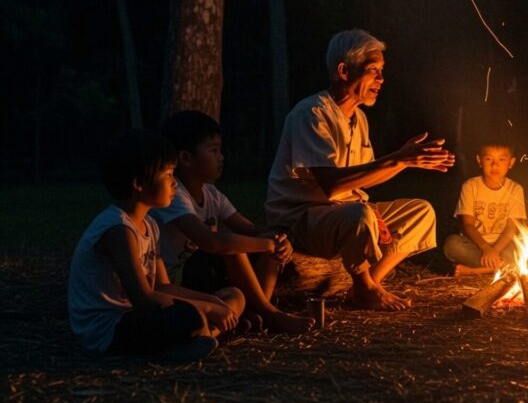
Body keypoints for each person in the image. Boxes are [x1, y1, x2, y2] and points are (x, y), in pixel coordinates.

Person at [265, 29, 455, 311]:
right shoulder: (312, 114)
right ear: (344, 71)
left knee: (421, 212)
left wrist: (406, 162)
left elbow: (363, 180)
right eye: (373, 71)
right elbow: (331, 185)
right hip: (299, 219)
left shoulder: (360, 118)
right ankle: (365, 287)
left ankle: (366, 285)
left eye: (381, 71)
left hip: (342, 213)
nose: (381, 79)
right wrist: (399, 159)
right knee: (359, 214)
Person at [68, 129, 245, 362]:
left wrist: (212, 302)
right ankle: (200, 336)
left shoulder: (150, 224)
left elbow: (163, 286)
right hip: (111, 327)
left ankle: (202, 339)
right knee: (190, 316)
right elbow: (143, 298)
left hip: (142, 314)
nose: (174, 183)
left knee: (233, 296)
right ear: (139, 183)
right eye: (168, 174)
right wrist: (207, 310)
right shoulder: (118, 229)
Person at [151, 111, 314, 334]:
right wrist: (265, 243)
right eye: (213, 150)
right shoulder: (174, 194)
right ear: (186, 158)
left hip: (208, 274)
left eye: (220, 150)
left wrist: (277, 240)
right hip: (180, 281)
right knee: (232, 247)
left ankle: (251, 310)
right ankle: (270, 314)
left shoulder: (211, 194)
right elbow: (210, 242)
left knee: (267, 244)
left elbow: (252, 230)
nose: (221, 157)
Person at [443, 138, 527, 276]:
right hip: (476, 245)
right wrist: (486, 249)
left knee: (521, 250)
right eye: (489, 159)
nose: (495, 165)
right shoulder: (470, 186)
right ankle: (502, 268)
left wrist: (495, 251)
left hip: (503, 245)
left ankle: (472, 271)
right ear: (479, 160)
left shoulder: (515, 189)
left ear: (511, 162)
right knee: (452, 244)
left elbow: (511, 228)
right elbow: (468, 225)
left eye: (501, 160)